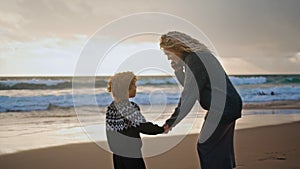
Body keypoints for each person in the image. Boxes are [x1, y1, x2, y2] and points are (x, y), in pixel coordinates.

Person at [160, 31, 242, 169]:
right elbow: (193, 87)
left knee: (205, 146)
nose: (169, 59)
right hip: (229, 106)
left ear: (175, 48)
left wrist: (171, 121)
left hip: (222, 108)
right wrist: (179, 70)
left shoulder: (195, 59)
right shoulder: (199, 57)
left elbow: (189, 94)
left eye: (168, 54)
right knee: (220, 148)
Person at [106, 71, 165, 169]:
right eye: (134, 85)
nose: (136, 87)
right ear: (126, 89)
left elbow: (110, 133)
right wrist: (161, 129)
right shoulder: (129, 107)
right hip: (132, 154)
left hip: (117, 154)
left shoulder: (111, 108)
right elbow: (144, 126)